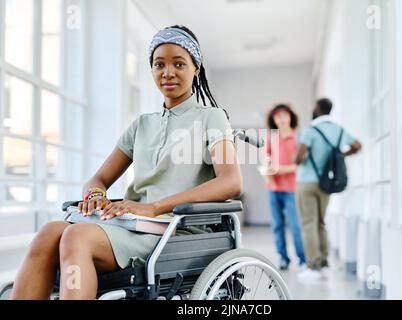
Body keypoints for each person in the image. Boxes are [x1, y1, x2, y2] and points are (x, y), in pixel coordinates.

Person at [11, 25, 242, 300]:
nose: (168, 72)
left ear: (196, 70)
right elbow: (97, 180)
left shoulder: (212, 118)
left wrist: (153, 208)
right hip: (132, 225)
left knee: (76, 237)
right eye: (159, 65)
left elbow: (231, 182)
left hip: (174, 230)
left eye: (179, 64)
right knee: (48, 233)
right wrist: (95, 195)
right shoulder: (142, 125)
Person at [294, 98, 362, 281]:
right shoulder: (339, 130)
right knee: (321, 223)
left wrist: (305, 155)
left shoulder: (310, 130)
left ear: (317, 109)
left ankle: (312, 267)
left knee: (309, 223)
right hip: (327, 183)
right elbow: (358, 146)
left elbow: (298, 159)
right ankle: (324, 264)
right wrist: (340, 155)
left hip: (307, 182)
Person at [259, 104, 306, 271]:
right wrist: (267, 167)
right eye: (278, 116)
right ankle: (283, 258)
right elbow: (266, 157)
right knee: (277, 225)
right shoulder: (271, 137)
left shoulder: (298, 137)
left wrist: (279, 169)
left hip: (292, 189)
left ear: (290, 117)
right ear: (273, 120)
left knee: (295, 226)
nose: (282, 119)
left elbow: (300, 166)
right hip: (273, 188)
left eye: (285, 116)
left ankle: (303, 260)